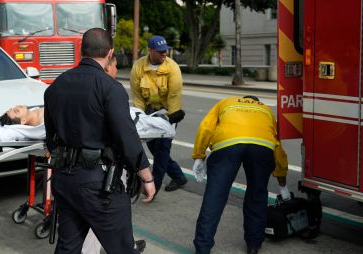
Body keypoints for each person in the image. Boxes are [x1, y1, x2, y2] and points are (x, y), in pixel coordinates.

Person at [44, 28, 155, 254]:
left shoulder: (55, 87)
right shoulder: (109, 88)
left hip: (64, 179)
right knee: (122, 248)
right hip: (98, 183)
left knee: (68, 246)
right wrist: (147, 176)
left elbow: (51, 138)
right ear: (110, 52)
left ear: (81, 50)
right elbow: (127, 138)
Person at [191, 95, 290, 254]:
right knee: (257, 196)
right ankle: (253, 245)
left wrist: (199, 155)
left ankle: (202, 248)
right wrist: (282, 181)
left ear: (242, 99)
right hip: (262, 147)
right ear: (256, 101)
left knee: (215, 196)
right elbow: (278, 148)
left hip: (227, 144)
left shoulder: (226, 103)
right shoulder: (265, 110)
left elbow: (206, 127)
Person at [130, 35, 187, 195]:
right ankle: (178, 176)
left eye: (166, 51)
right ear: (150, 51)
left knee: (162, 149)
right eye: (161, 52)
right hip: (149, 110)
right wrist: (139, 116)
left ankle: (153, 186)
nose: (164, 54)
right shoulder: (139, 67)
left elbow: (174, 94)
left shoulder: (172, 67)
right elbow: (137, 95)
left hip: (169, 111)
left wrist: (173, 115)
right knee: (153, 148)